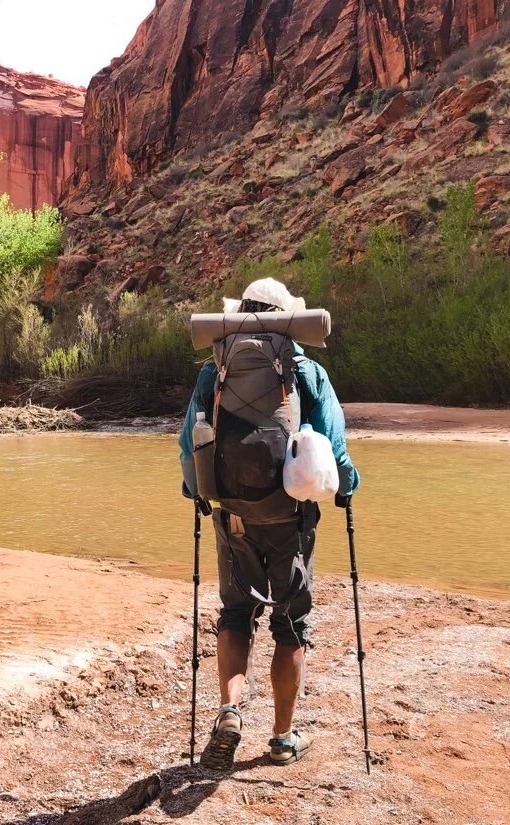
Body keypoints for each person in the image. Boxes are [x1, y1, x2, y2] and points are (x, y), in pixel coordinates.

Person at [179, 277, 360, 770]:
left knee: (236, 615)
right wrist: (348, 487)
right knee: (289, 624)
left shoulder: (213, 373)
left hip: (232, 512)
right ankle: (282, 737)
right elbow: (333, 448)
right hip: (291, 516)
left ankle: (230, 710)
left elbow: (187, 446)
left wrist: (197, 494)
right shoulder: (307, 371)